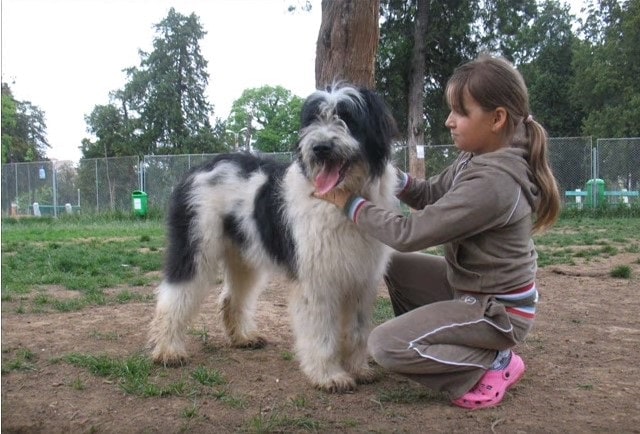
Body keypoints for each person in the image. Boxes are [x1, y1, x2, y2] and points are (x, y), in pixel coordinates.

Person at [314, 54, 561, 410]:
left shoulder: (494, 182)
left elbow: (408, 233)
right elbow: (429, 193)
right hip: (472, 289)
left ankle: (491, 363)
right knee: (395, 265)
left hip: (498, 311)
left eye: (461, 112)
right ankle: (450, 343)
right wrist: (383, 170)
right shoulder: (478, 155)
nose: (449, 121)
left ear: (497, 119)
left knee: (385, 346)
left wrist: (348, 202)